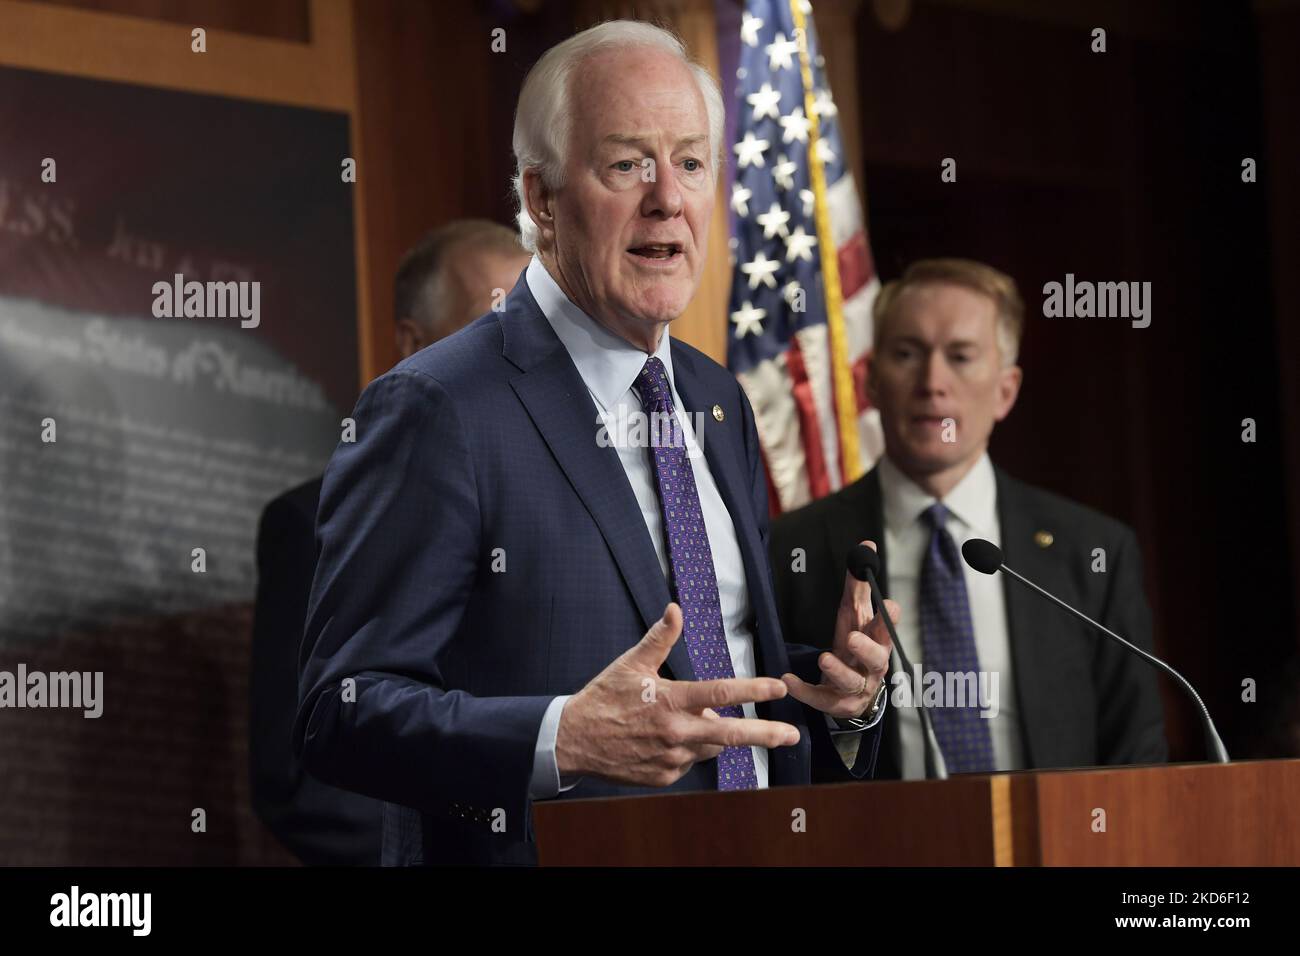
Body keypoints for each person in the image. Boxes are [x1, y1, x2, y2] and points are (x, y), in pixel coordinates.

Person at [294, 20, 898, 866]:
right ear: (542, 199)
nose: (668, 198)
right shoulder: (439, 408)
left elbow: (705, 671)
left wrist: (828, 690)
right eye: (626, 164)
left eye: (690, 163)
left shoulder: (717, 397)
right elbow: (340, 712)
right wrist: (561, 737)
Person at [770, 258, 1168, 779]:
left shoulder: (1092, 551)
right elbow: (773, 751)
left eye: (960, 356)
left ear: (1006, 390)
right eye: (908, 354)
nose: (933, 382)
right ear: (869, 381)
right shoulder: (790, 550)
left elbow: (1136, 757)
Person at [250, 220, 529, 865]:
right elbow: (301, 788)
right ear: (412, 344)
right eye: (487, 330)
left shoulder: (564, 516)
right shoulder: (309, 524)